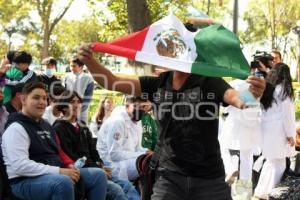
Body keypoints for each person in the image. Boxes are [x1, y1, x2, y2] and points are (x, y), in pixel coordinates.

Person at [77, 38, 265, 200]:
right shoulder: (157, 83)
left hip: (209, 179)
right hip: (169, 178)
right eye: (171, 50)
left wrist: (253, 95)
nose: (174, 54)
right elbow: (111, 81)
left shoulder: (209, 81)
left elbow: (237, 99)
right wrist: (89, 61)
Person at [1, 82, 107, 200]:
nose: (41, 102)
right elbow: (20, 166)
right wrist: (59, 171)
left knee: (98, 175)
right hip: (23, 181)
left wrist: (69, 166)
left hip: (53, 172)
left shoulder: (46, 125)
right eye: (36, 98)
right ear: (23, 99)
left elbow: (58, 151)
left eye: (44, 98)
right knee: (63, 182)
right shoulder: (16, 128)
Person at [53, 90, 140, 200]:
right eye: (71, 102)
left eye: (78, 102)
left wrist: (101, 165)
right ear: (64, 106)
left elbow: (93, 150)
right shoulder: (59, 128)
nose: (76, 105)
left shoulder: (83, 126)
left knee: (127, 186)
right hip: (79, 171)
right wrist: (97, 168)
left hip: (95, 167)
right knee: (116, 191)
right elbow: (70, 157)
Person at [254, 63, 296, 199]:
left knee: (270, 162)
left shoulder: (268, 89)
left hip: (265, 129)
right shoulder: (284, 90)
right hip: (279, 131)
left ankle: (261, 190)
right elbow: (287, 115)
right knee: (279, 164)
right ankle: (272, 193)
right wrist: (290, 135)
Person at [97, 96, 147, 181]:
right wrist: (142, 155)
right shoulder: (117, 121)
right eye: (136, 106)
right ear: (127, 105)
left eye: (142, 107)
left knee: (153, 160)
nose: (140, 110)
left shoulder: (136, 121)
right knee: (146, 163)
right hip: (112, 165)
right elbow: (115, 155)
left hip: (127, 160)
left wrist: (146, 152)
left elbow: (136, 148)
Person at [64, 55, 94, 123]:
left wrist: (78, 109)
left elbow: (88, 97)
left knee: (81, 129)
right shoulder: (66, 77)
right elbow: (64, 94)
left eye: (74, 66)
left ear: (81, 67)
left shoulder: (88, 79)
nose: (71, 68)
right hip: (68, 109)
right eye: (71, 66)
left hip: (82, 111)